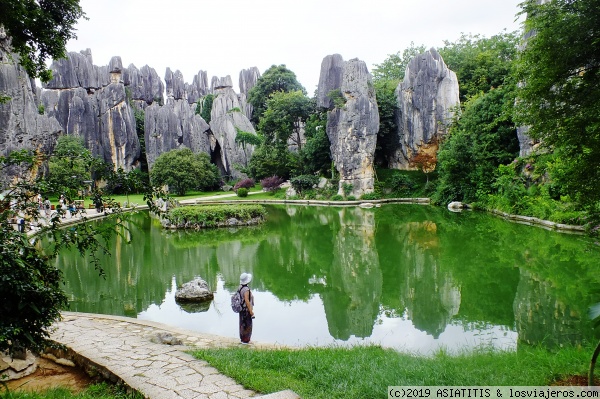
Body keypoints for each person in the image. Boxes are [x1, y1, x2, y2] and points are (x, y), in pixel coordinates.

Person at [238, 272, 254, 344]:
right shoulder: (246, 290)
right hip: (246, 311)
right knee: (248, 324)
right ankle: (246, 340)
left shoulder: (240, 287)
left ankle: (243, 339)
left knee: (242, 324)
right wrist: (251, 312)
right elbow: (247, 301)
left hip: (241, 310)